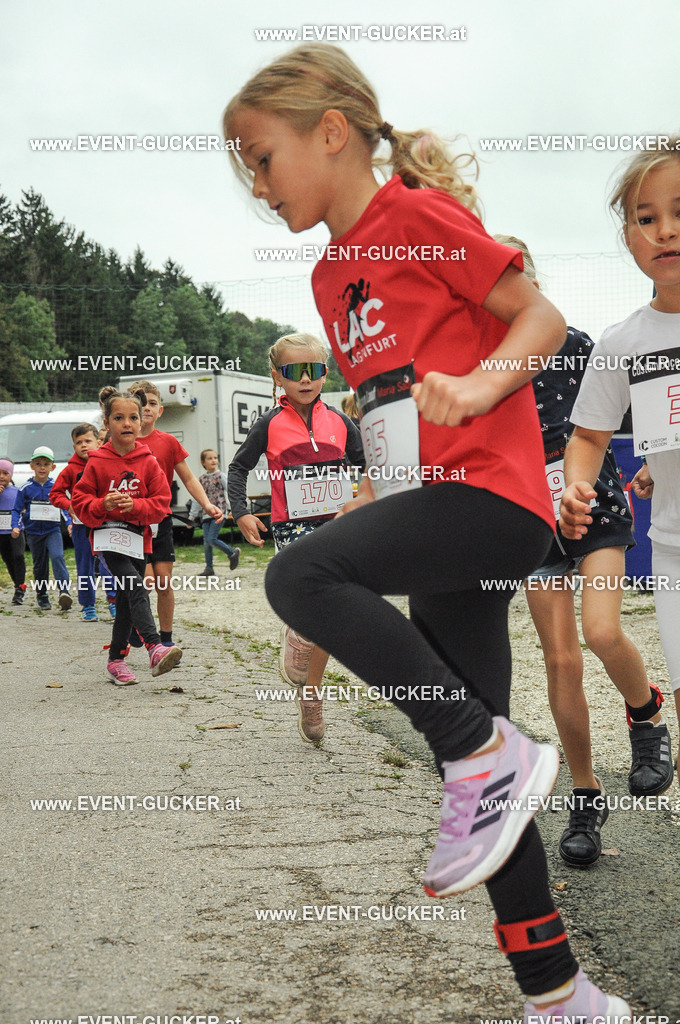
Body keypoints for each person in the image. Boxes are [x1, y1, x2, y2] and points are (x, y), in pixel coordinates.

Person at [223, 43, 630, 1021]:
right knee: (475, 774)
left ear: (331, 133)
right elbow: (388, 417)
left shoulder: (417, 218)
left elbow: (535, 314)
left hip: (491, 501)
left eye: (261, 157)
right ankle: (560, 995)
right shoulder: (330, 281)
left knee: (296, 579)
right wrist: (373, 495)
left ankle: (481, 749)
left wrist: (486, 380)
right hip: (433, 512)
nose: (252, 183)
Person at [493, 236, 670, 869]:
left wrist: (648, 460)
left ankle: (645, 712)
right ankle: (586, 794)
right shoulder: (477, 361)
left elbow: (640, 411)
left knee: (601, 631)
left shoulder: (575, 345)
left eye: (513, 272)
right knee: (560, 657)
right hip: (530, 517)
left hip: (591, 499)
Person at [560, 139, 680, 780]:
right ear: (628, 236)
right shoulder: (620, 344)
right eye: (645, 217)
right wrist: (577, 486)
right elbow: (587, 438)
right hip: (674, 550)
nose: (665, 230)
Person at [228, 332, 364, 744]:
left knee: (331, 612)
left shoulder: (342, 423)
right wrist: (243, 512)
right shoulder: (269, 424)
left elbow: (368, 464)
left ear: (325, 374)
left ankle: (311, 694)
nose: (305, 380)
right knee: (314, 598)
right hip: (293, 526)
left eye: (314, 371)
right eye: (293, 372)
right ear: (277, 377)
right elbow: (237, 469)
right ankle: (297, 634)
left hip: (337, 523)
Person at [71, 386, 181, 685]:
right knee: (135, 587)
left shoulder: (149, 462)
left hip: (139, 539)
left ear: (142, 420)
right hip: (107, 540)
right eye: (119, 418)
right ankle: (154, 645)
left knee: (126, 596)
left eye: (133, 417)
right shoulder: (96, 461)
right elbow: (79, 502)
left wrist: (136, 505)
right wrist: (101, 504)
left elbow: (161, 503)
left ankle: (116, 660)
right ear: (107, 423)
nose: (128, 423)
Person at [126, 380, 223, 651]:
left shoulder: (168, 442)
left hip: (161, 520)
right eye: (141, 402)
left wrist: (207, 505)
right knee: (142, 581)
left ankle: (166, 637)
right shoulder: (123, 443)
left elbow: (190, 478)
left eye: (153, 403)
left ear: (160, 411)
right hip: (133, 523)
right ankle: (139, 627)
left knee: (163, 582)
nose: (146, 408)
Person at [50, 423, 105, 621]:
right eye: (78, 442)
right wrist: (69, 504)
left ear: (98, 443)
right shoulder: (70, 470)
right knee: (84, 566)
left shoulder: (106, 463)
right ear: (73, 447)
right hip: (82, 526)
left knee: (109, 565)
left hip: (105, 524)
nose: (83, 445)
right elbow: (55, 494)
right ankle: (88, 606)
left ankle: (115, 601)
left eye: (88, 441)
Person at [12, 446, 72, 611]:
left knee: (58, 556)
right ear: (32, 466)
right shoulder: (25, 488)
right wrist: (15, 526)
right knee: (40, 564)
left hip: (52, 530)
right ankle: (42, 595)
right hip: (33, 532)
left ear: (52, 467)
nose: (42, 467)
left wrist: (69, 523)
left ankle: (64, 592)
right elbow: (17, 509)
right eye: (38, 463)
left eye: (46, 464)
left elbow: (64, 507)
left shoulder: (56, 487)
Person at [189, 449, 240, 576]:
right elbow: (197, 499)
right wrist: (192, 517)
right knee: (206, 543)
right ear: (203, 462)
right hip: (206, 514)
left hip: (220, 512)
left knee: (211, 539)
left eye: (215, 458)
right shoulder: (200, 479)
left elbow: (231, 491)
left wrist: (236, 508)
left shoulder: (221, 476)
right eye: (210, 458)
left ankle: (232, 553)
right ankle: (209, 568)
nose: (213, 461)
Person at [0, 458, 27, 605]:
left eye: (5, 473)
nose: (1, 476)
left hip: (16, 530)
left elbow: (24, 506)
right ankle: (18, 586)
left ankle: (20, 589)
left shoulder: (17, 491)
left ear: (11, 475)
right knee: (8, 560)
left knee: (18, 556)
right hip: (1, 533)